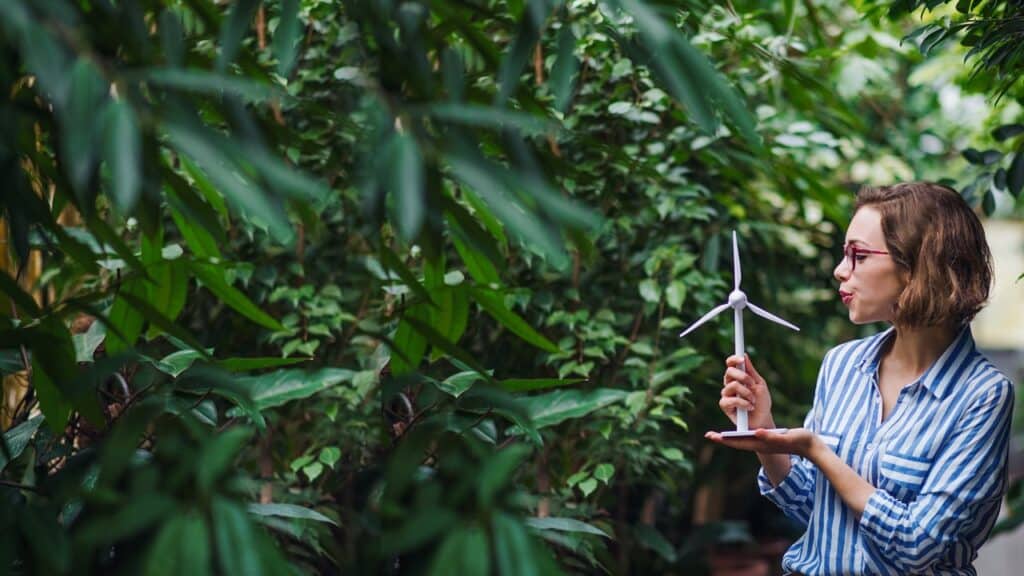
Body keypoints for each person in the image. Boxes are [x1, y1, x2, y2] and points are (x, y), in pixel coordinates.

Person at [705, 182, 1014, 575]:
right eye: (843, 255)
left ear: (919, 266)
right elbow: (815, 509)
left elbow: (917, 545)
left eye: (859, 255)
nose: (840, 270)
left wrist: (819, 452)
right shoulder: (841, 365)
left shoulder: (982, 396)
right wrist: (765, 430)